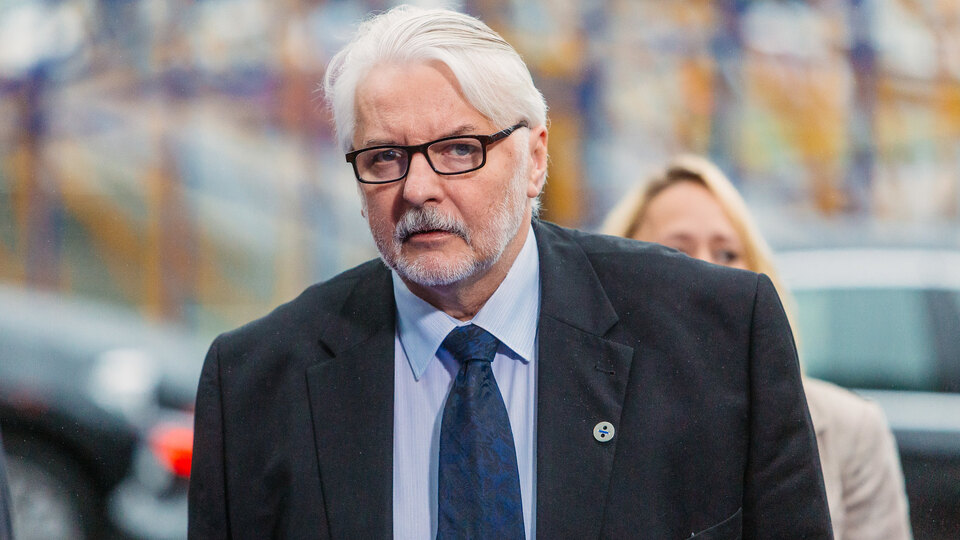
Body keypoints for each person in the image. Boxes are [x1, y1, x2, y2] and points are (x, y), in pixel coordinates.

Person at [188, 6, 832, 538]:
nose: (418, 188)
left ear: (535, 159)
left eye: (458, 149)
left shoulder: (717, 335)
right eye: (384, 157)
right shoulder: (252, 384)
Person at [601, 154, 912, 540]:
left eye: (727, 253)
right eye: (676, 252)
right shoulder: (585, 413)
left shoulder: (851, 430)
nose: (708, 272)